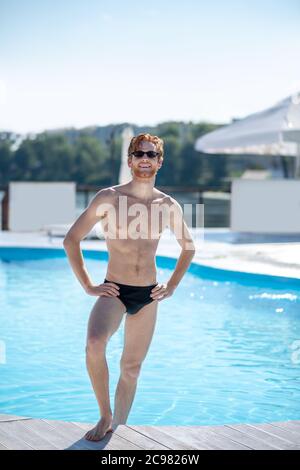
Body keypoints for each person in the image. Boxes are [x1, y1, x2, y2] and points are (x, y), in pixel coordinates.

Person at [63, 133, 196, 441]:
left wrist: (172, 286)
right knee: (95, 344)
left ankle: (117, 428)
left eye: (151, 154)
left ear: (160, 162)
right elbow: (72, 239)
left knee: (131, 367)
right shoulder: (109, 197)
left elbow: (188, 247)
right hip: (115, 290)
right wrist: (88, 285)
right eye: (139, 153)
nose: (145, 159)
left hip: (148, 294)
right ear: (130, 160)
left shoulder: (167, 205)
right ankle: (105, 414)